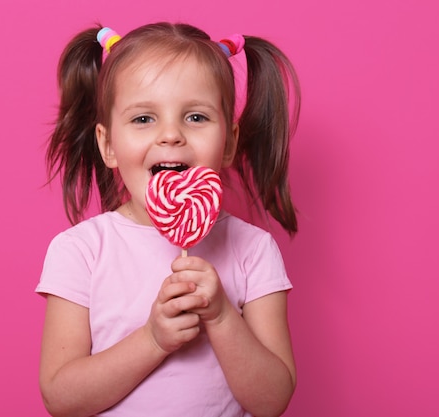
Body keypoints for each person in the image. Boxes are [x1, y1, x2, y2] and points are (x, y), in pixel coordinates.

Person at [36, 22, 301, 417]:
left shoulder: (253, 249)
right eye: (144, 119)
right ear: (108, 145)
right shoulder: (81, 251)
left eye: (195, 117)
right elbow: (61, 397)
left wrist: (222, 315)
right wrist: (153, 340)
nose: (171, 135)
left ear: (228, 143)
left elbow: (272, 400)